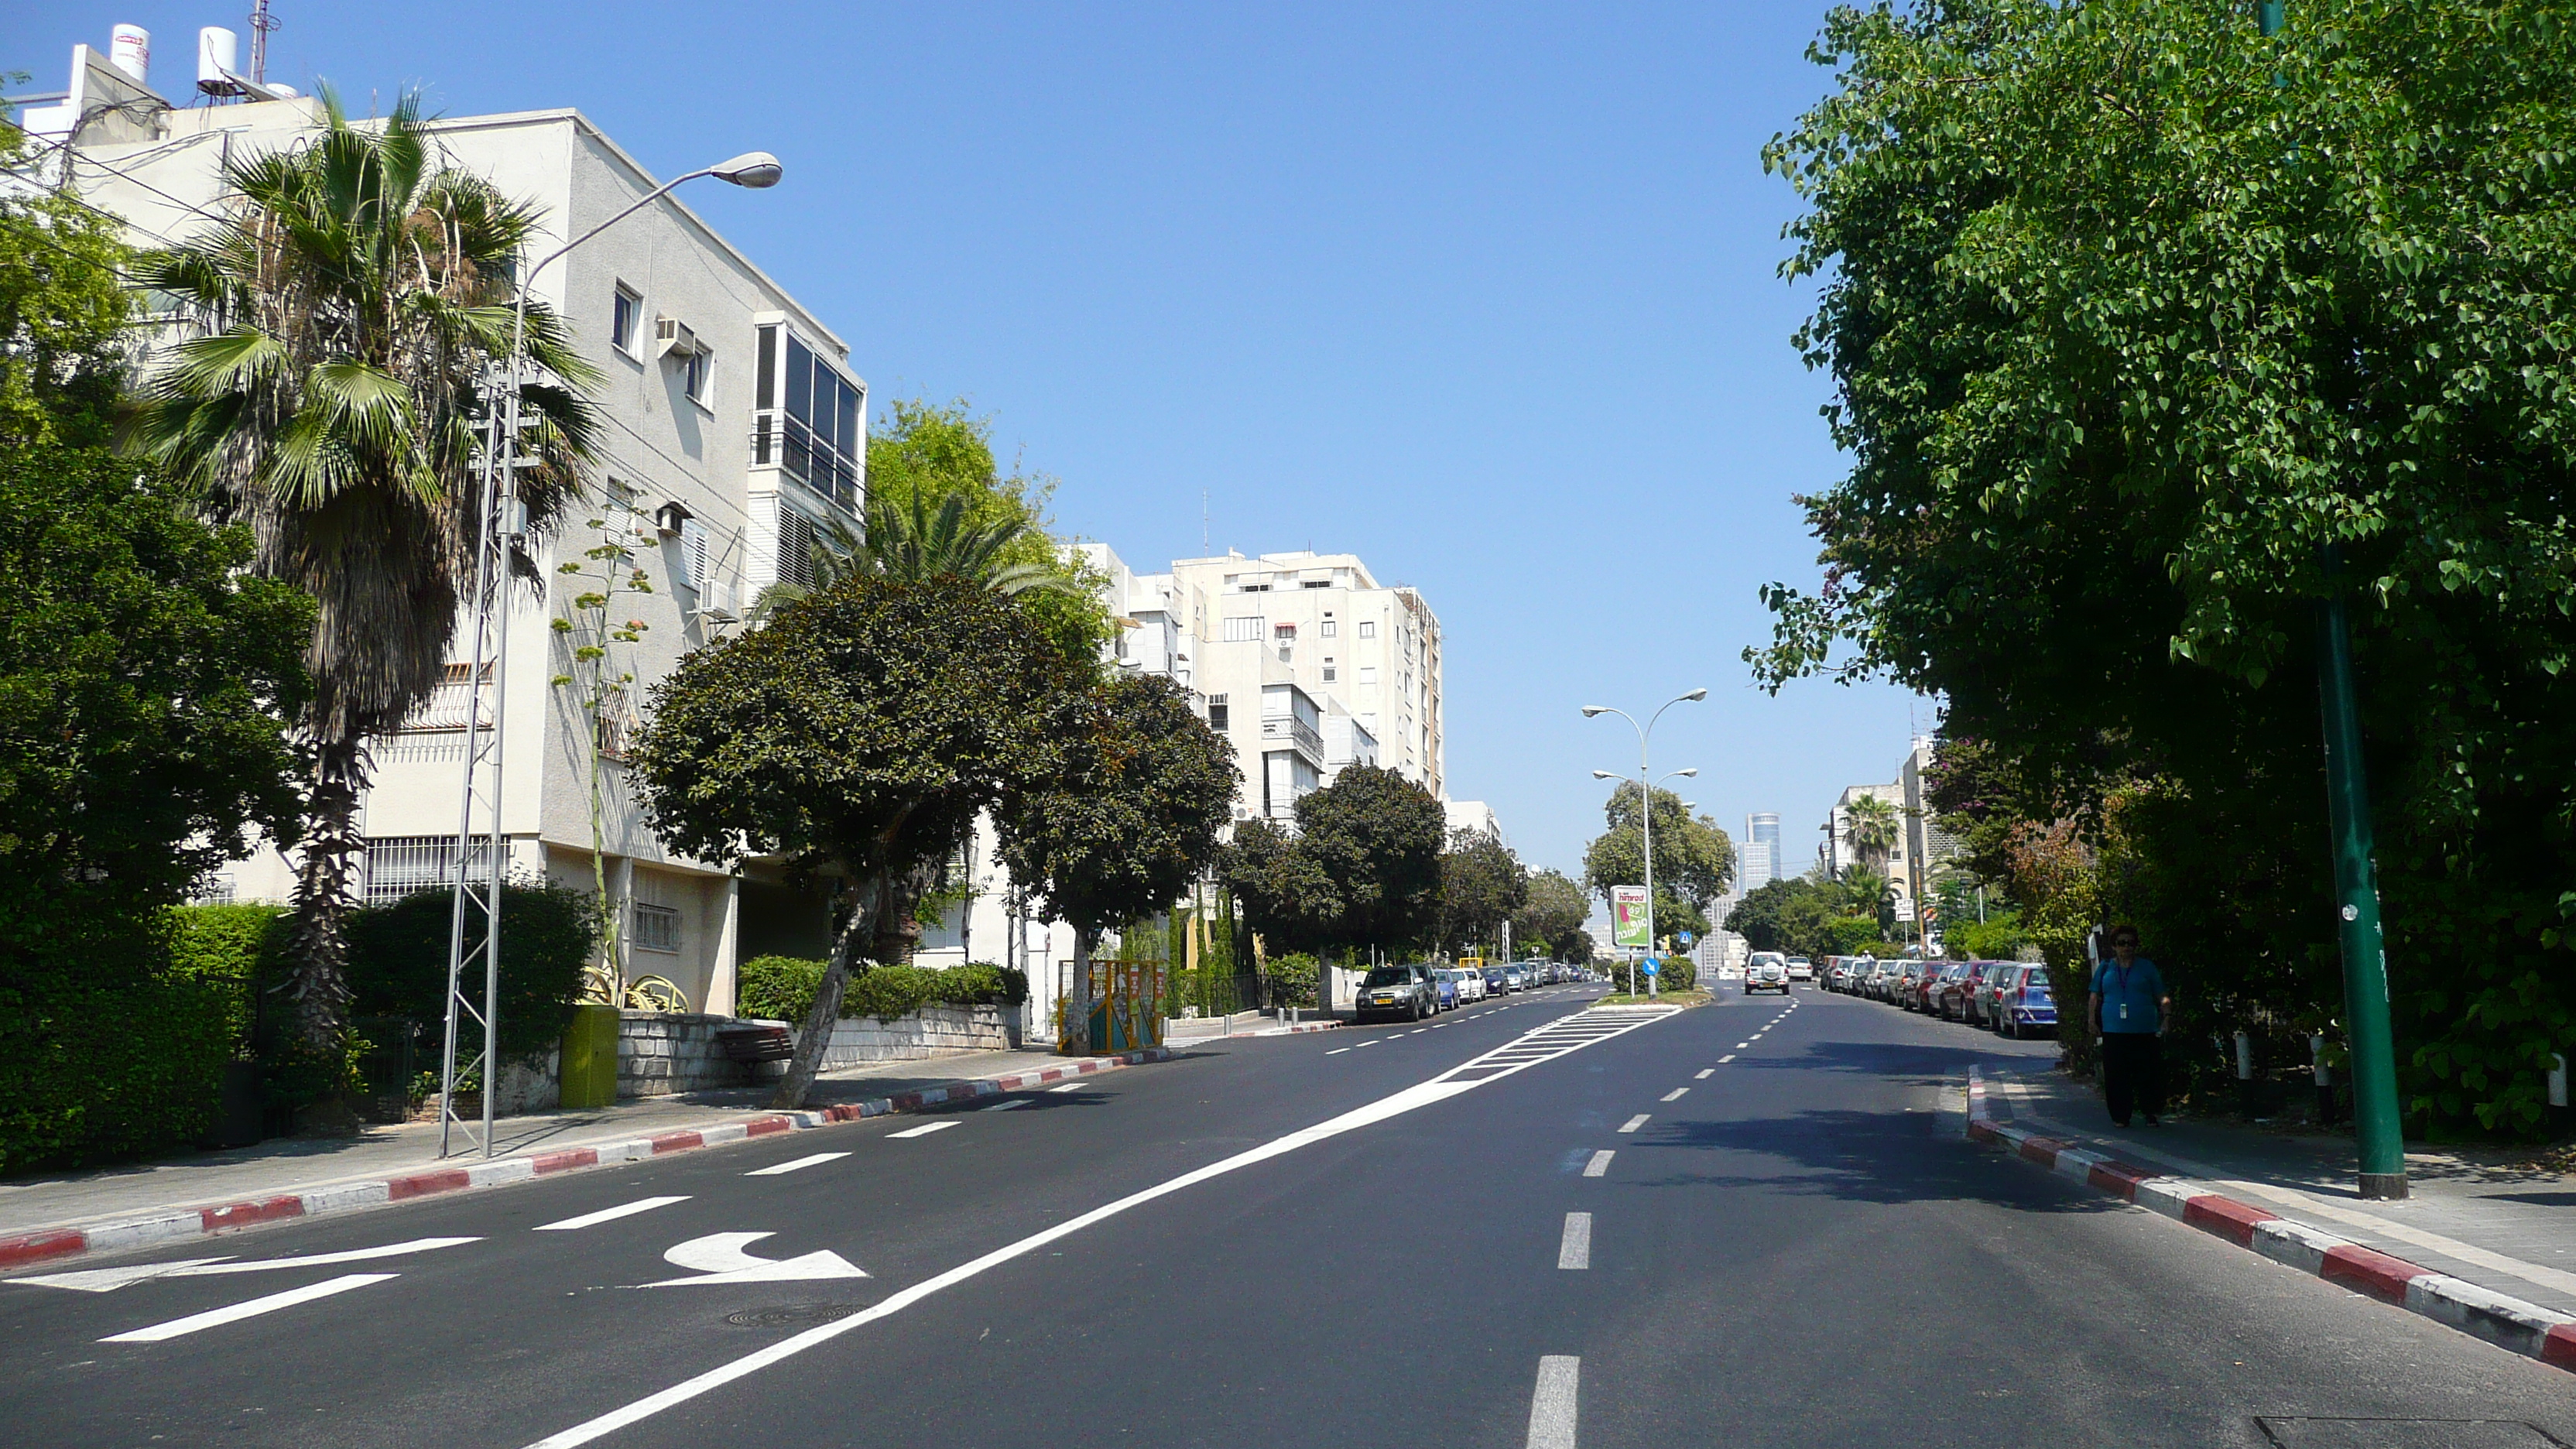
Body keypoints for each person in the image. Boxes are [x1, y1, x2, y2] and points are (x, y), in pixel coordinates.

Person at [2088, 923, 2171, 1127]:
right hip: (2114, 1030)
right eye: (2122, 943)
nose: (2126, 947)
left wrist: (2167, 1016)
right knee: (2117, 1075)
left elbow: (2161, 995)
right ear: (2114, 946)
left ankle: (2150, 1111)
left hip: (2144, 1029)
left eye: (2130, 943)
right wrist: (2091, 1020)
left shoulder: (2146, 967)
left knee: (2147, 1073)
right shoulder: (2106, 968)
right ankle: (2120, 1116)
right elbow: (2094, 995)